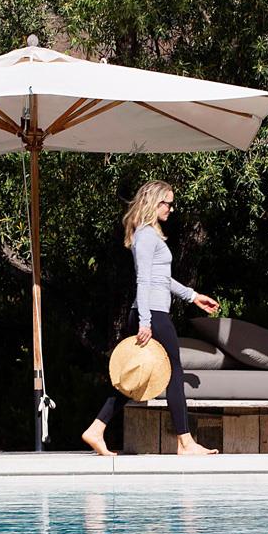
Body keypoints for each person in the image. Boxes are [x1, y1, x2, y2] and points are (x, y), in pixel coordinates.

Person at [83, 180, 221, 456]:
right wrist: (145, 321)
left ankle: (96, 429)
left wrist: (193, 296)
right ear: (152, 202)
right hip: (153, 314)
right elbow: (143, 279)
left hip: (153, 312)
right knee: (174, 372)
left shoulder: (150, 235)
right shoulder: (146, 235)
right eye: (166, 203)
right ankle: (185, 442)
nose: (171, 208)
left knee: (139, 377)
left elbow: (162, 278)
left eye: (171, 203)